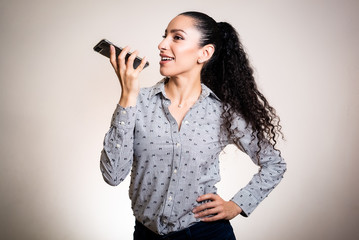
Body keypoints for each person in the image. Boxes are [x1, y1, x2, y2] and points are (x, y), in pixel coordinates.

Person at [100, 11, 287, 240]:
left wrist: (237, 205)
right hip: (147, 235)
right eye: (164, 36)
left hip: (207, 234)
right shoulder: (137, 104)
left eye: (176, 37)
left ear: (205, 53)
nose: (161, 44)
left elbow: (274, 164)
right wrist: (128, 95)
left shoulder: (223, 113)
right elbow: (113, 175)